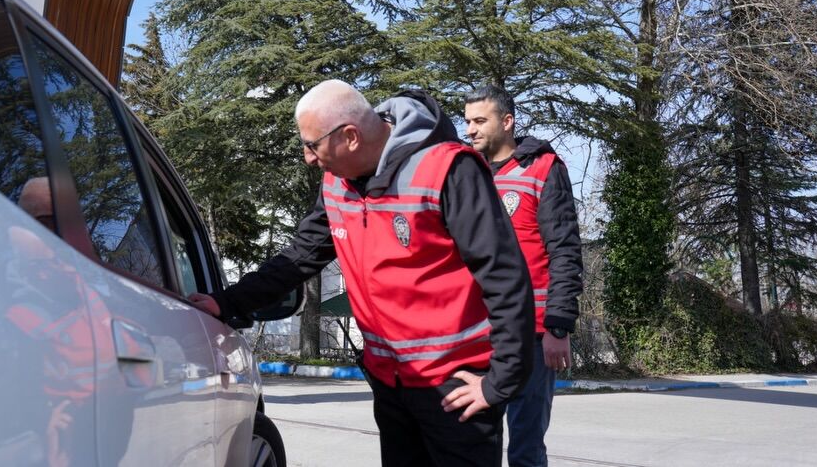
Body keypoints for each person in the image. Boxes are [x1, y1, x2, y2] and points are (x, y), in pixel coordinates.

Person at [190, 80, 534, 467]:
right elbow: (301, 256)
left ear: (350, 136)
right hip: (391, 384)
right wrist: (226, 302)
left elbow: (505, 277)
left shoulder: (447, 169)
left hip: (455, 389)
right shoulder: (337, 183)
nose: (308, 158)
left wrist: (500, 382)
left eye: (312, 145)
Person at [464, 85, 583, 467]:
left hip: (531, 336)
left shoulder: (544, 168)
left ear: (507, 121)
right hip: (477, 334)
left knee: (526, 449)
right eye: (467, 122)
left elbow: (564, 250)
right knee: (474, 443)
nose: (470, 130)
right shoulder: (465, 174)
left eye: (480, 121)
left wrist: (558, 326)